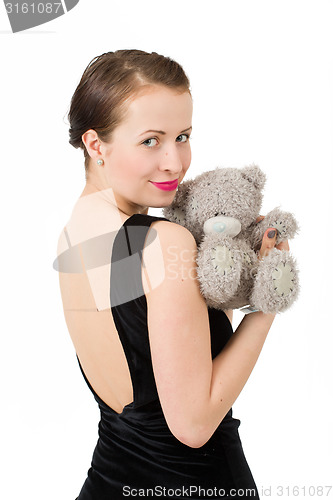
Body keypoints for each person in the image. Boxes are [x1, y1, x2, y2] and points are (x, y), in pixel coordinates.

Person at [55, 49, 289, 500]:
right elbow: (194, 424)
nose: (175, 162)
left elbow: (144, 350)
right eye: (150, 140)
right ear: (95, 144)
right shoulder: (164, 242)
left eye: (183, 136)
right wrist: (265, 302)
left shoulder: (73, 235)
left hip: (107, 481)